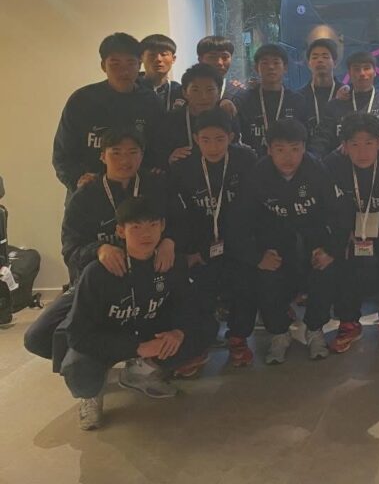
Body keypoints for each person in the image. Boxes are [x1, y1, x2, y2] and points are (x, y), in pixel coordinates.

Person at [60, 196, 217, 430]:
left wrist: (178, 332)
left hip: (148, 330)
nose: (146, 234)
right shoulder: (97, 273)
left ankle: (142, 372)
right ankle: (90, 394)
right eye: (136, 227)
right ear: (120, 231)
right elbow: (77, 335)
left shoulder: (171, 262)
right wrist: (137, 348)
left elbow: (187, 306)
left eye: (153, 225)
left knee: (205, 328)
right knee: (77, 364)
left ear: (163, 226)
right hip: (108, 337)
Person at [24, 128, 170, 363]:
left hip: (149, 280)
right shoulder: (84, 197)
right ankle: (106, 356)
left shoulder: (156, 187)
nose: (125, 160)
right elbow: (70, 249)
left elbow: (180, 224)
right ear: (102, 156)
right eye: (116, 153)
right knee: (37, 337)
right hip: (97, 283)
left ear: (142, 155)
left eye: (133, 152)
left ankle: (136, 358)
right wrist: (99, 249)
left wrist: (169, 242)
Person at [235, 119, 342, 364]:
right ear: (269, 149)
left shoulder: (317, 170)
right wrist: (257, 256)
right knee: (266, 277)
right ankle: (279, 333)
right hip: (273, 243)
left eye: (295, 149)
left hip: (313, 240)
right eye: (280, 149)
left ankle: (314, 329)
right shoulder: (258, 174)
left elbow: (339, 214)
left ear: (304, 148)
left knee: (325, 272)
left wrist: (330, 250)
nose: (288, 157)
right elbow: (240, 220)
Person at [168, 109, 258, 367]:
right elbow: (180, 215)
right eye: (205, 140)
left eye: (220, 139)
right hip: (201, 244)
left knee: (244, 286)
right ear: (196, 139)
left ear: (231, 137)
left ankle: (238, 338)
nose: (213, 146)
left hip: (239, 241)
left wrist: (245, 247)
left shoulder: (246, 159)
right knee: (199, 292)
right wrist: (192, 250)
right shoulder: (183, 166)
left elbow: (251, 208)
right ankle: (200, 342)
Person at [322, 113, 379, 353]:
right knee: (345, 262)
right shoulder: (332, 165)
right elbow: (329, 204)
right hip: (349, 224)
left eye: (369, 143)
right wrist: (344, 230)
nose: (362, 152)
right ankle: (349, 321)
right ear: (344, 145)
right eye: (354, 144)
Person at [53, 33, 164, 196]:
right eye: (115, 64)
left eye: (130, 63)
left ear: (139, 65)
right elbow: (63, 153)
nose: (124, 71)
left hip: (138, 194)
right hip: (90, 192)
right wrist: (77, 179)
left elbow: (158, 150)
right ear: (103, 66)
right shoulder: (82, 100)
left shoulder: (151, 102)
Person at [152, 63, 235, 167]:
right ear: (185, 93)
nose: (203, 96)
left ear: (219, 93)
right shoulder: (170, 121)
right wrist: (169, 158)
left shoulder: (227, 116)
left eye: (210, 90)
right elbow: (157, 156)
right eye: (195, 90)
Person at [318, 52, 379, 154]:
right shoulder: (335, 105)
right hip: (342, 159)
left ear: (375, 72)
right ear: (349, 73)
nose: (362, 73)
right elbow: (322, 140)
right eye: (357, 69)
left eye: (366, 68)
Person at [235, 43, 308, 156]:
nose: (271, 67)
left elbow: (304, 138)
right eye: (265, 63)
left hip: (288, 161)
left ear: (285, 68)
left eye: (276, 62)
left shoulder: (297, 101)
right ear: (256, 68)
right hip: (251, 161)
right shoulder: (244, 100)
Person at [300, 38, 342, 151]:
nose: (320, 60)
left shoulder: (345, 94)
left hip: (341, 156)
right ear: (308, 64)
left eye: (325, 57)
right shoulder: (299, 97)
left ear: (335, 62)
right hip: (309, 156)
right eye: (315, 57)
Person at [196, 35, 248, 104]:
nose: (219, 63)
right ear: (200, 60)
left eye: (225, 57)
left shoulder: (240, 94)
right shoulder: (185, 93)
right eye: (212, 57)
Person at [138, 34, 182, 113]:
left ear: (173, 59)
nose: (158, 59)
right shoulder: (131, 87)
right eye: (152, 54)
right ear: (141, 58)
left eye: (164, 54)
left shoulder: (179, 91)